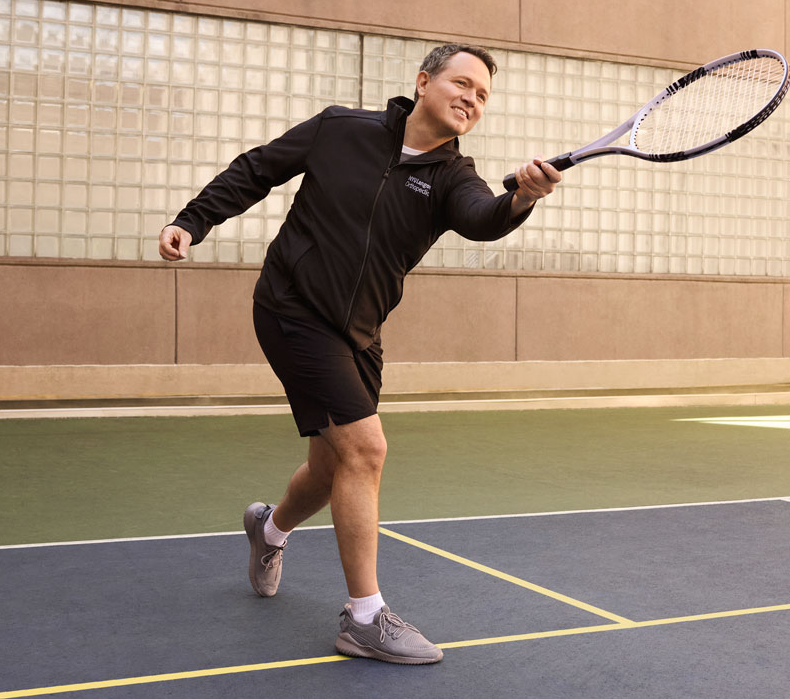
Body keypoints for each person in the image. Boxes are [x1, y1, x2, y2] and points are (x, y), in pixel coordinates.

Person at [158, 43, 560, 664]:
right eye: (462, 84)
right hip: (291, 306)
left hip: (360, 334)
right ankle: (364, 617)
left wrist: (522, 198)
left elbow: (482, 217)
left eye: (482, 95)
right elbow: (257, 168)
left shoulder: (453, 176)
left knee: (331, 465)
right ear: (424, 82)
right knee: (366, 448)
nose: (471, 100)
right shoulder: (340, 128)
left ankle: (268, 529)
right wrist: (194, 218)